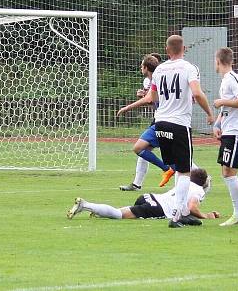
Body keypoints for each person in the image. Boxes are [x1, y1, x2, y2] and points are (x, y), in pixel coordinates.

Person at [149, 35, 215, 228]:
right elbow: (196, 92)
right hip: (179, 124)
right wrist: (209, 113)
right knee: (186, 171)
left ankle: (184, 212)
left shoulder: (159, 70)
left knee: (178, 168)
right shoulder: (189, 68)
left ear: (167, 50)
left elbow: (153, 96)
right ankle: (177, 216)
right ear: (184, 48)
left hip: (160, 122)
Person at [66, 168, 218, 221]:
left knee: (121, 212)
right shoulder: (198, 190)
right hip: (157, 207)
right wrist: (206, 216)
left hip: (149, 197)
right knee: (119, 215)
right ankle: (85, 205)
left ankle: (98, 211)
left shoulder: (185, 181)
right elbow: (192, 207)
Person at [116, 53, 174, 191]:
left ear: (146, 67)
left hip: (166, 120)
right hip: (161, 118)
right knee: (144, 148)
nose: (140, 67)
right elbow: (153, 101)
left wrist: (127, 107)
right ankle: (137, 183)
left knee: (176, 154)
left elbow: (150, 99)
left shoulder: (159, 79)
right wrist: (146, 96)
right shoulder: (155, 80)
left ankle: (172, 170)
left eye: (142, 65)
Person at [211, 48, 238, 226]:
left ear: (218, 61)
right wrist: (218, 124)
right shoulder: (226, 80)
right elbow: (228, 108)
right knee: (226, 171)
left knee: (229, 172)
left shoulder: (233, 78)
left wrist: (222, 101)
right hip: (228, 131)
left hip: (236, 133)